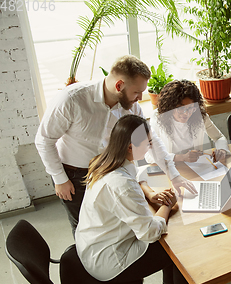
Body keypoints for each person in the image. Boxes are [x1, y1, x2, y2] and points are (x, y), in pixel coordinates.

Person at [35, 55, 196, 237]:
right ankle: (85, 262)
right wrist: (59, 179)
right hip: (75, 175)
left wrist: (174, 176)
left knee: (114, 226)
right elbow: (44, 139)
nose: (140, 97)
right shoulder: (72, 99)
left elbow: (151, 140)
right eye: (136, 92)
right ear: (119, 86)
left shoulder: (132, 106)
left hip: (111, 171)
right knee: (84, 228)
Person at [75, 114, 211, 284]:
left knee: (170, 239)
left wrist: (149, 193)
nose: (149, 148)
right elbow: (150, 232)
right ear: (130, 146)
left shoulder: (105, 161)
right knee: (179, 246)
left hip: (93, 245)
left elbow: (135, 173)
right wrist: (167, 205)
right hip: (109, 262)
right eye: (146, 144)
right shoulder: (120, 184)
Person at [149, 79, 230, 163]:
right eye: (181, 108)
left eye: (191, 108)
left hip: (196, 167)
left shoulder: (199, 115)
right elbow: (149, 156)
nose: (186, 113)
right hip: (172, 167)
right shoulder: (158, 117)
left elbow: (218, 137)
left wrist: (222, 150)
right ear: (170, 106)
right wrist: (181, 157)